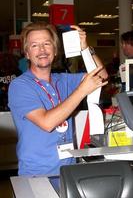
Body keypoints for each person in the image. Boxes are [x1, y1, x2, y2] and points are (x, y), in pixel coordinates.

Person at [8, 21, 108, 191]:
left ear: (55, 51)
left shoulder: (63, 80)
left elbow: (102, 76)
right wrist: (82, 91)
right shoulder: (20, 85)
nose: (41, 50)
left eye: (47, 44)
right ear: (27, 53)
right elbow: (46, 123)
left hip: (68, 171)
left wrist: (85, 49)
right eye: (34, 45)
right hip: (37, 174)